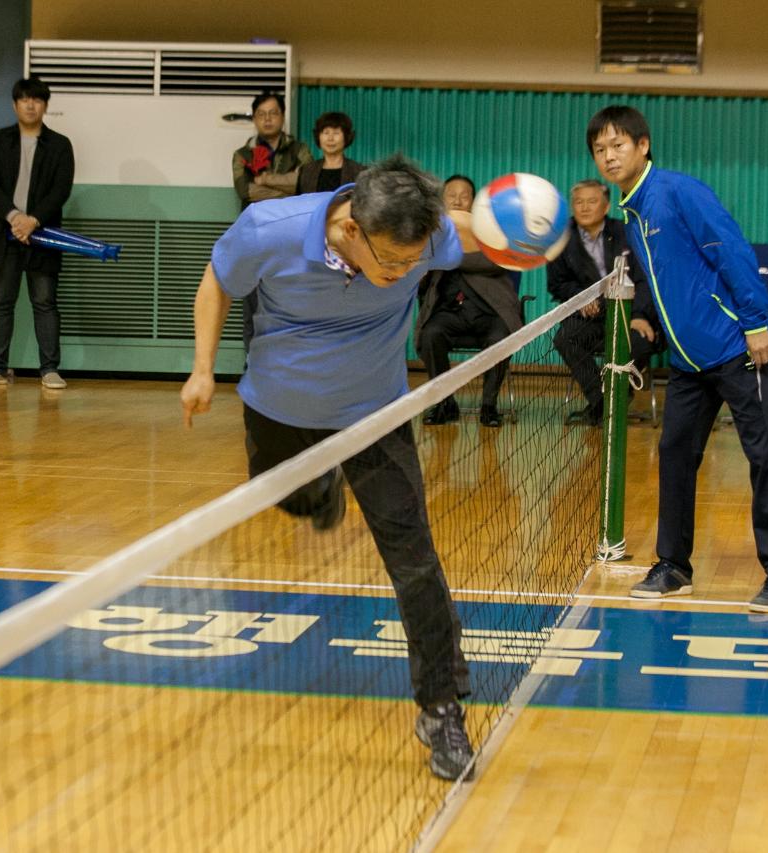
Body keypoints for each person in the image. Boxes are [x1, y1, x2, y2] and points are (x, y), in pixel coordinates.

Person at [180, 154, 476, 781]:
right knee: (285, 498)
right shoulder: (269, 229)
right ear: (350, 231)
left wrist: (528, 232)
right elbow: (217, 281)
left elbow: (468, 232)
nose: (403, 272)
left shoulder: (422, 237)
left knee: (415, 561)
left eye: (413, 262)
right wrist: (202, 367)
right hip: (279, 408)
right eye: (393, 263)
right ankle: (319, 493)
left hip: (375, 415)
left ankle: (442, 707)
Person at [586, 105, 768, 613]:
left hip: (735, 348)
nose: (609, 156)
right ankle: (674, 567)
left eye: (618, 145)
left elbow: (731, 250)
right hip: (687, 362)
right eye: (600, 150)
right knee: (675, 455)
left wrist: (754, 321)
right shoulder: (631, 211)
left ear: (643, 145)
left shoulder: (678, 192)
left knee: (766, 457)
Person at [0, 76, 75, 390]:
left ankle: (49, 370)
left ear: (45, 105)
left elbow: (61, 189)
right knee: (1, 301)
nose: (31, 105)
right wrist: (15, 217)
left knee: (45, 301)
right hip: (3, 233)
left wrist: (34, 220)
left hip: (42, 234)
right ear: (15, 104)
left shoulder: (60, 144)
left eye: (37, 100)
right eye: (24, 99)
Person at [547, 178, 664, 425]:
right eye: (578, 202)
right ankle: (603, 403)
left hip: (629, 314)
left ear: (606, 206)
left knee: (641, 342)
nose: (585, 207)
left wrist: (639, 315)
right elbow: (557, 283)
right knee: (565, 339)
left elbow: (646, 279)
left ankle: (613, 400)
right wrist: (580, 298)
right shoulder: (560, 238)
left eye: (592, 201)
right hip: (590, 316)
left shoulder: (627, 232)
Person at [416, 175, 524, 428]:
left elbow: (495, 262)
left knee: (500, 339)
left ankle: (489, 406)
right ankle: (445, 403)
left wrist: (447, 258)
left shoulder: (492, 232)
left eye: (464, 195)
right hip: (450, 311)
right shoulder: (433, 235)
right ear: (442, 201)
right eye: (451, 194)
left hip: (490, 311)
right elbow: (419, 270)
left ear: (473, 202)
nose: (457, 199)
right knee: (431, 334)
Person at [231, 92, 313, 352]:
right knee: (252, 306)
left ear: (282, 116)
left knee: (290, 305)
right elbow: (246, 191)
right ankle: (252, 366)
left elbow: (305, 185)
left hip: (292, 238)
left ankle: (286, 368)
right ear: (255, 118)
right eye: (261, 114)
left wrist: (266, 180)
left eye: (273, 113)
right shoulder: (243, 154)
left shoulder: (300, 150)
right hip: (255, 238)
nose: (267, 119)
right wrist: (287, 185)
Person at [297, 112, 364, 194]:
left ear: (346, 137)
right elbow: (300, 202)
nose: (330, 138)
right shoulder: (307, 171)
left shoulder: (358, 172)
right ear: (318, 136)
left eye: (336, 133)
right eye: (326, 133)